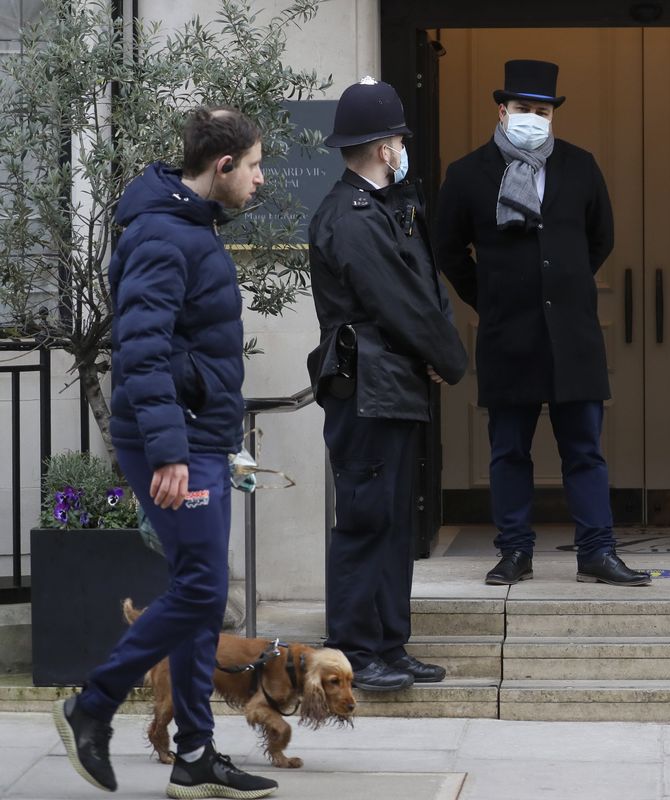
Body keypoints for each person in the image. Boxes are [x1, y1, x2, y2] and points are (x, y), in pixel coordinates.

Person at [52, 107, 277, 798]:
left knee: (201, 601)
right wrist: (173, 451)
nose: (262, 179)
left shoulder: (188, 229)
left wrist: (217, 440)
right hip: (174, 445)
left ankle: (195, 755)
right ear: (223, 167)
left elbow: (184, 347)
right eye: (256, 165)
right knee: (204, 590)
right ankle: (91, 705)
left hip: (197, 438)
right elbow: (143, 354)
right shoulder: (162, 236)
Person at [434, 59, 649, 588]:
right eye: (523, 108)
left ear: (553, 114)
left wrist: (565, 286)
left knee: (585, 450)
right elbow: (447, 249)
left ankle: (597, 551)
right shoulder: (467, 174)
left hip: (573, 336)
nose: (533, 117)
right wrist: (489, 297)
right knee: (509, 450)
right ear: (502, 110)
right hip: (508, 336)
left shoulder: (580, 165)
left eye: (542, 110)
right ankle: (514, 551)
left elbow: (601, 238)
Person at [308, 77, 468, 691]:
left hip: (389, 385)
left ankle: (388, 643)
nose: (403, 146)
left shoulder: (382, 208)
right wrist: (449, 360)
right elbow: (402, 304)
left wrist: (434, 355)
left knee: (394, 523)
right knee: (366, 521)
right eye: (398, 137)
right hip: (367, 388)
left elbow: (423, 289)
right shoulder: (350, 217)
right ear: (382, 146)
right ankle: (353, 648)